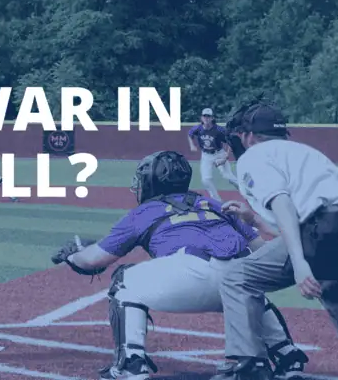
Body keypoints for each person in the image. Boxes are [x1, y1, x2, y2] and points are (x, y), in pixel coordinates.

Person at [50, 151, 308, 380]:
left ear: (151, 182)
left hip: (190, 274)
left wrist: (71, 257)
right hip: (237, 278)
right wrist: (258, 223)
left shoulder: (144, 211)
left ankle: (131, 363)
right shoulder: (214, 204)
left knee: (123, 280)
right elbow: (264, 251)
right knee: (247, 285)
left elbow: (93, 260)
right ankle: (287, 354)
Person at [212, 101, 338, 380]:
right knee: (333, 283)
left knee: (237, 276)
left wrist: (300, 264)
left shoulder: (254, 156)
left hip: (331, 229)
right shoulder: (304, 152)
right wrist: (255, 220)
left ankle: (250, 365)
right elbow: (297, 223)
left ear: (249, 136)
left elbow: (283, 205)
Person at [188, 108, 239, 200]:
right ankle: (217, 200)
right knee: (205, 179)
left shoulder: (219, 130)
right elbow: (190, 134)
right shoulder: (198, 129)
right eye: (204, 116)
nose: (206, 118)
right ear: (201, 118)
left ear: (212, 118)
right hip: (206, 155)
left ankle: (245, 191)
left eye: (208, 116)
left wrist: (225, 157)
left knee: (227, 176)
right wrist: (192, 145)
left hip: (219, 154)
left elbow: (230, 142)